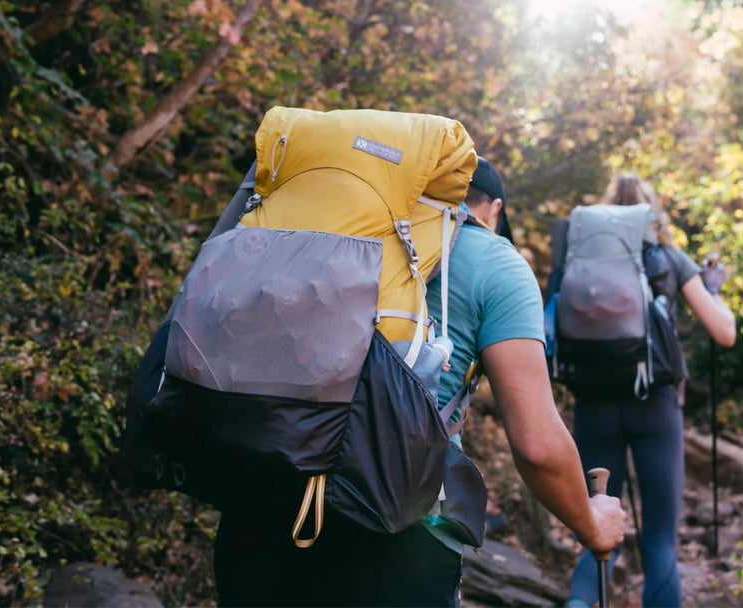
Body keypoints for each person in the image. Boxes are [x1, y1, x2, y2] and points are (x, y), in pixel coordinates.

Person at [213, 157, 627, 607]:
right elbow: (538, 446)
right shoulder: (495, 261)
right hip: (401, 538)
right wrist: (591, 523)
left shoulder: (323, 231)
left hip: (258, 513)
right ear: (492, 210)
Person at [565, 173, 736, 608]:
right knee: (660, 541)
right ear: (650, 213)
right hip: (655, 407)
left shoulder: (575, 262)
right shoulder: (669, 259)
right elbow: (724, 333)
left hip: (593, 405)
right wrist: (714, 291)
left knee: (598, 534)